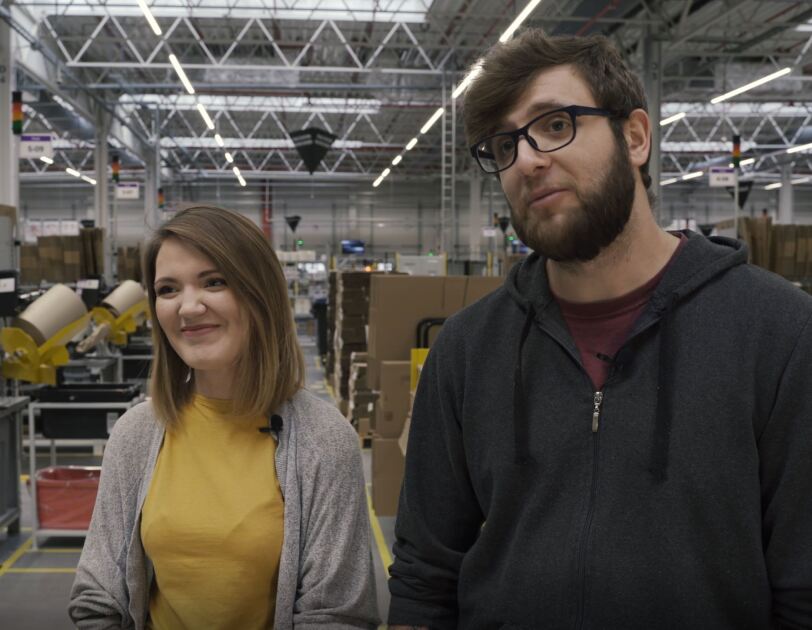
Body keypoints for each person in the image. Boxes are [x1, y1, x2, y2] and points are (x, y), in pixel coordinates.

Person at [387, 29, 812, 629]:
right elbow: (424, 578)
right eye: (503, 145)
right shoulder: (465, 349)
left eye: (555, 124)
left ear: (635, 137)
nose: (527, 159)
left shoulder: (780, 334)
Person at [69, 206, 379, 629]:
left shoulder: (324, 441)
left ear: (260, 293)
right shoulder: (136, 434)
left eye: (214, 282)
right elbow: (98, 597)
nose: (189, 307)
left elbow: (336, 614)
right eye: (168, 289)